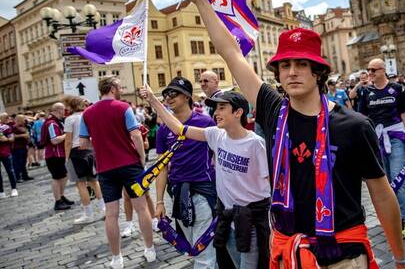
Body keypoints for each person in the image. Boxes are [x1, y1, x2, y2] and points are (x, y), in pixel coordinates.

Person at [184, 0, 405, 268]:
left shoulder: (354, 126)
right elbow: (231, 53)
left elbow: (382, 195)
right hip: (288, 254)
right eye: (285, 64)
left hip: (342, 255)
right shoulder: (273, 110)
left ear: (318, 72)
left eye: (302, 64)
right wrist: (201, 1)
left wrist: (399, 258)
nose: (292, 72)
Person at [142, 85, 271, 269]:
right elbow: (179, 129)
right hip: (226, 219)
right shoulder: (216, 135)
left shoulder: (255, 144)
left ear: (238, 112)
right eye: (215, 108)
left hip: (250, 222)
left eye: (222, 108)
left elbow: (271, 183)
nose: (216, 113)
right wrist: (154, 101)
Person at [79, 76, 156, 268]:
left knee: (111, 214)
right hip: (129, 164)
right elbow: (136, 134)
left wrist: (100, 149)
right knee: (141, 208)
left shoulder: (87, 113)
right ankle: (149, 248)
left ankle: (116, 257)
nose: (122, 88)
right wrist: (141, 157)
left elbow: (83, 144)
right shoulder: (123, 107)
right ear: (113, 88)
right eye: (120, 85)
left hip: (105, 168)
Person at [153, 76, 218, 268]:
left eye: (174, 93)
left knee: (203, 251)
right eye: (166, 94)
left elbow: (219, 155)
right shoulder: (163, 130)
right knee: (192, 246)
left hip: (203, 191)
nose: (169, 98)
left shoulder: (205, 122)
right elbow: (162, 166)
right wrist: (158, 201)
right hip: (179, 194)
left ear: (187, 96)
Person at [359, 59, 405, 239]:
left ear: (383, 70)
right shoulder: (365, 92)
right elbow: (362, 117)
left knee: (397, 178)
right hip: (376, 140)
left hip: (396, 138)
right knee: (383, 182)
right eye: (368, 69)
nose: (369, 73)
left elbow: (404, 114)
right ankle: (388, 216)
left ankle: (402, 218)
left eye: (373, 70)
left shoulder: (397, 89)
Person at [63, 96, 105, 224]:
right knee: (94, 181)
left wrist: (66, 157)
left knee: (81, 184)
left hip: (77, 151)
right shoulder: (88, 115)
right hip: (91, 150)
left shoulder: (70, 119)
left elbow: (68, 140)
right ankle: (104, 208)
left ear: (71, 106)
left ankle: (88, 214)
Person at [41, 103, 74, 210]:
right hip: (54, 155)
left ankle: (61, 196)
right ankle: (57, 201)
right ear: (59, 110)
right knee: (57, 177)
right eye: (64, 110)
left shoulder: (56, 122)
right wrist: (67, 135)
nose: (65, 112)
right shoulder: (52, 123)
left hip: (59, 154)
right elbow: (54, 140)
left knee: (64, 176)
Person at [0, 113, 18, 198]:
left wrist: (6, 139)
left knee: (10, 170)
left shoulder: (5, 127)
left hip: (5, 152)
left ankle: (14, 189)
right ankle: (1, 192)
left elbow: (12, 138)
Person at [12, 115, 33, 182]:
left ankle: (25, 176)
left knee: (23, 162)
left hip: (23, 146)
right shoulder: (14, 127)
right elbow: (12, 136)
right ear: (20, 120)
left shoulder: (24, 126)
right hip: (17, 148)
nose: (25, 120)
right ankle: (18, 177)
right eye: (23, 119)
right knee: (18, 163)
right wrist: (23, 135)